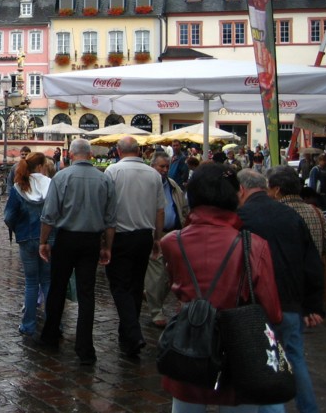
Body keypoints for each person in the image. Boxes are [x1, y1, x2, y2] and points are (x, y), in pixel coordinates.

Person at [160, 163, 282, 412]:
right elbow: (272, 310)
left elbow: (176, 283)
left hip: (190, 341)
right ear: (237, 194)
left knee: (186, 403)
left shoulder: (171, 242)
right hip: (238, 349)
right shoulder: (253, 245)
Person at [237, 168, 325, 413]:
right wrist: (312, 305)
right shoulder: (290, 216)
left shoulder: (240, 217)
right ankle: (308, 409)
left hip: (257, 304)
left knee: (266, 363)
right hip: (290, 304)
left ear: (241, 190)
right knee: (295, 358)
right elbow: (312, 264)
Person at [38, 139, 115, 364]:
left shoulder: (62, 177)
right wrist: (107, 246)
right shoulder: (105, 178)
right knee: (86, 293)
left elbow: (49, 214)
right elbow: (111, 219)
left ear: (71, 155)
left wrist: (43, 241)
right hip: (91, 240)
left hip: (66, 239)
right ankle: (85, 346)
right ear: (90, 155)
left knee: (58, 287)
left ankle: (50, 336)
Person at [103, 135, 164, 357]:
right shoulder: (154, 174)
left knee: (120, 286)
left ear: (118, 151)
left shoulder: (113, 172)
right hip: (144, 236)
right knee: (136, 286)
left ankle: (133, 332)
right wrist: (157, 238)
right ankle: (127, 336)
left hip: (120, 236)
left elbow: (107, 208)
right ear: (138, 151)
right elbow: (160, 210)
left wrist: (104, 241)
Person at [267, 165, 326, 304]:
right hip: (313, 286)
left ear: (277, 190)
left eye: (269, 188)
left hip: (283, 289)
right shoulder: (316, 212)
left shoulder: (273, 213)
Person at [3, 152, 52, 337]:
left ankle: (28, 324)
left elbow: (8, 217)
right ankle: (53, 323)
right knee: (47, 282)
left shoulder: (19, 187)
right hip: (48, 241)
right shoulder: (51, 184)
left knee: (31, 283)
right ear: (40, 166)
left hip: (27, 239)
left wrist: (19, 230)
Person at [144, 151, 189, 327]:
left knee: (171, 275)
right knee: (158, 274)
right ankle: (156, 311)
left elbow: (182, 206)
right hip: (156, 233)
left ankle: (151, 296)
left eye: (166, 167)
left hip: (174, 233)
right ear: (152, 166)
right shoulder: (147, 184)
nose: (164, 170)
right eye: (161, 166)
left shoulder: (172, 185)